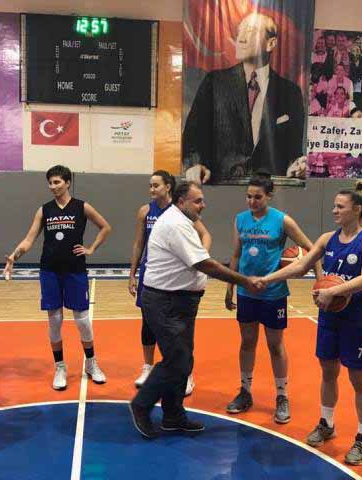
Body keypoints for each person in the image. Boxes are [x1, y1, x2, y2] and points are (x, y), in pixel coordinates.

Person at [129, 181, 264, 439]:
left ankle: (172, 415)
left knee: (183, 360)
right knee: (177, 360)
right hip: (166, 302)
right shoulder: (176, 224)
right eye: (198, 200)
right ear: (182, 202)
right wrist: (245, 281)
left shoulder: (181, 220)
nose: (204, 205)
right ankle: (141, 404)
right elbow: (205, 264)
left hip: (178, 302)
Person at [261, 181, 362, 466]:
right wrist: (267, 279)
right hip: (329, 316)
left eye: (340, 206)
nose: (334, 211)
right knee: (328, 373)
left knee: (359, 380)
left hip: (356, 319)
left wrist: (333, 291)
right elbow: (301, 265)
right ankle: (327, 423)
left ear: (357, 209)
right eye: (334, 206)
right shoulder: (328, 239)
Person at [224, 171, 321, 423]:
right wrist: (230, 286)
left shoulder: (282, 220)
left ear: (269, 195)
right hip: (246, 291)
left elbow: (312, 249)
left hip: (274, 293)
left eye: (257, 197)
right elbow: (236, 254)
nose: (252, 201)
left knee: (275, 345)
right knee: (247, 342)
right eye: (248, 196)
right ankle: (245, 391)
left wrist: (320, 280)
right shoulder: (240, 219)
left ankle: (282, 396)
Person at [4, 165, 112, 390]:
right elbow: (29, 239)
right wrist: (14, 255)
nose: (52, 186)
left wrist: (91, 248)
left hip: (75, 270)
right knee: (54, 321)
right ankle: (60, 367)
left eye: (57, 182)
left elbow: (105, 227)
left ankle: (91, 363)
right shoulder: (44, 210)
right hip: (50, 271)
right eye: (50, 183)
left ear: (67, 182)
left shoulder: (82, 206)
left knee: (82, 320)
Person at [183, 12, 305, 183]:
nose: (240, 39)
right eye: (240, 32)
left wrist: (296, 166)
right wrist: (195, 165)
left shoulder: (290, 92)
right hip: (221, 185)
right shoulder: (214, 83)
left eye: (250, 31)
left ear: (271, 43)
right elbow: (192, 136)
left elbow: (294, 151)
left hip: (269, 189)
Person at [129, 170, 212, 395]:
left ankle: (186, 373)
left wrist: (200, 256)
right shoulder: (145, 211)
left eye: (156, 185)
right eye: (150, 185)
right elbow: (138, 244)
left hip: (177, 277)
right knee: (148, 322)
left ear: (168, 187)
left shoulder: (181, 212)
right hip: (152, 274)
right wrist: (132, 273)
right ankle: (148, 367)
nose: (151, 189)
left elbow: (206, 235)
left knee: (180, 330)